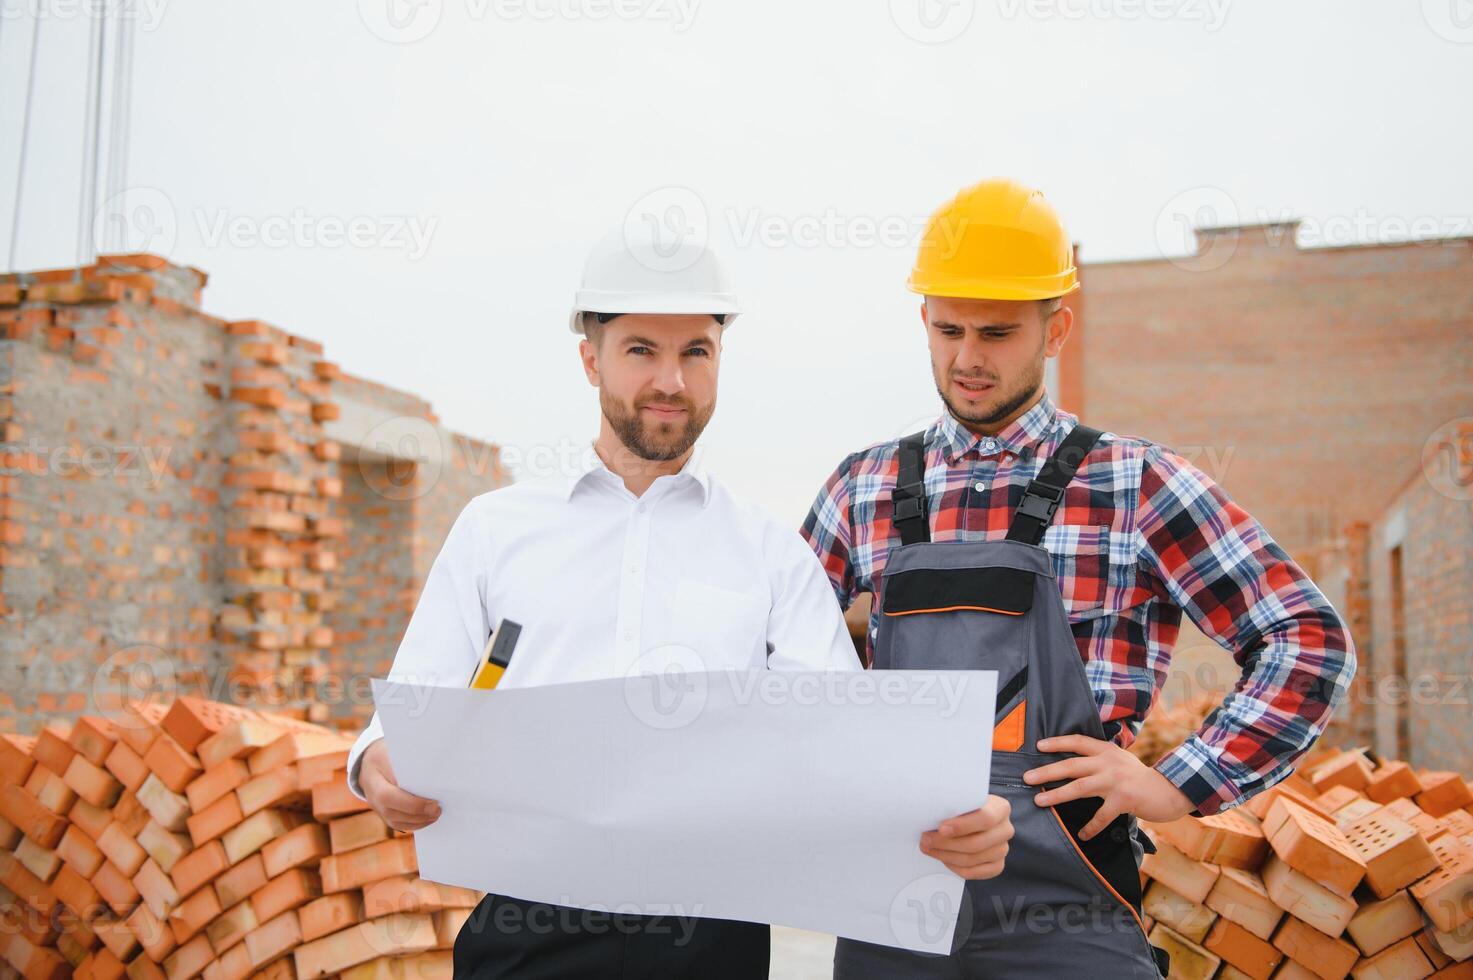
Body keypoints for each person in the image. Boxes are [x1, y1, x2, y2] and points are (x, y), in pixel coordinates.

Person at [346, 224, 1014, 979]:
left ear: (719, 361)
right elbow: (409, 705)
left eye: (694, 351)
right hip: (527, 927)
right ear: (588, 358)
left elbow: (840, 746)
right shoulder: (495, 531)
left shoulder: (768, 554)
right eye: (640, 350)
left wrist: (955, 821)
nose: (670, 380)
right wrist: (376, 759)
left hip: (711, 938)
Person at [800, 178, 1357, 979]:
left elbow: (1307, 641)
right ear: (922, 320)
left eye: (995, 333)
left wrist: (1176, 784)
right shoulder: (863, 486)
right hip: (896, 896)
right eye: (947, 329)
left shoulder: (1134, 482)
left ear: (1056, 329)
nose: (966, 358)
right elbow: (776, 671)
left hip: (1068, 906)